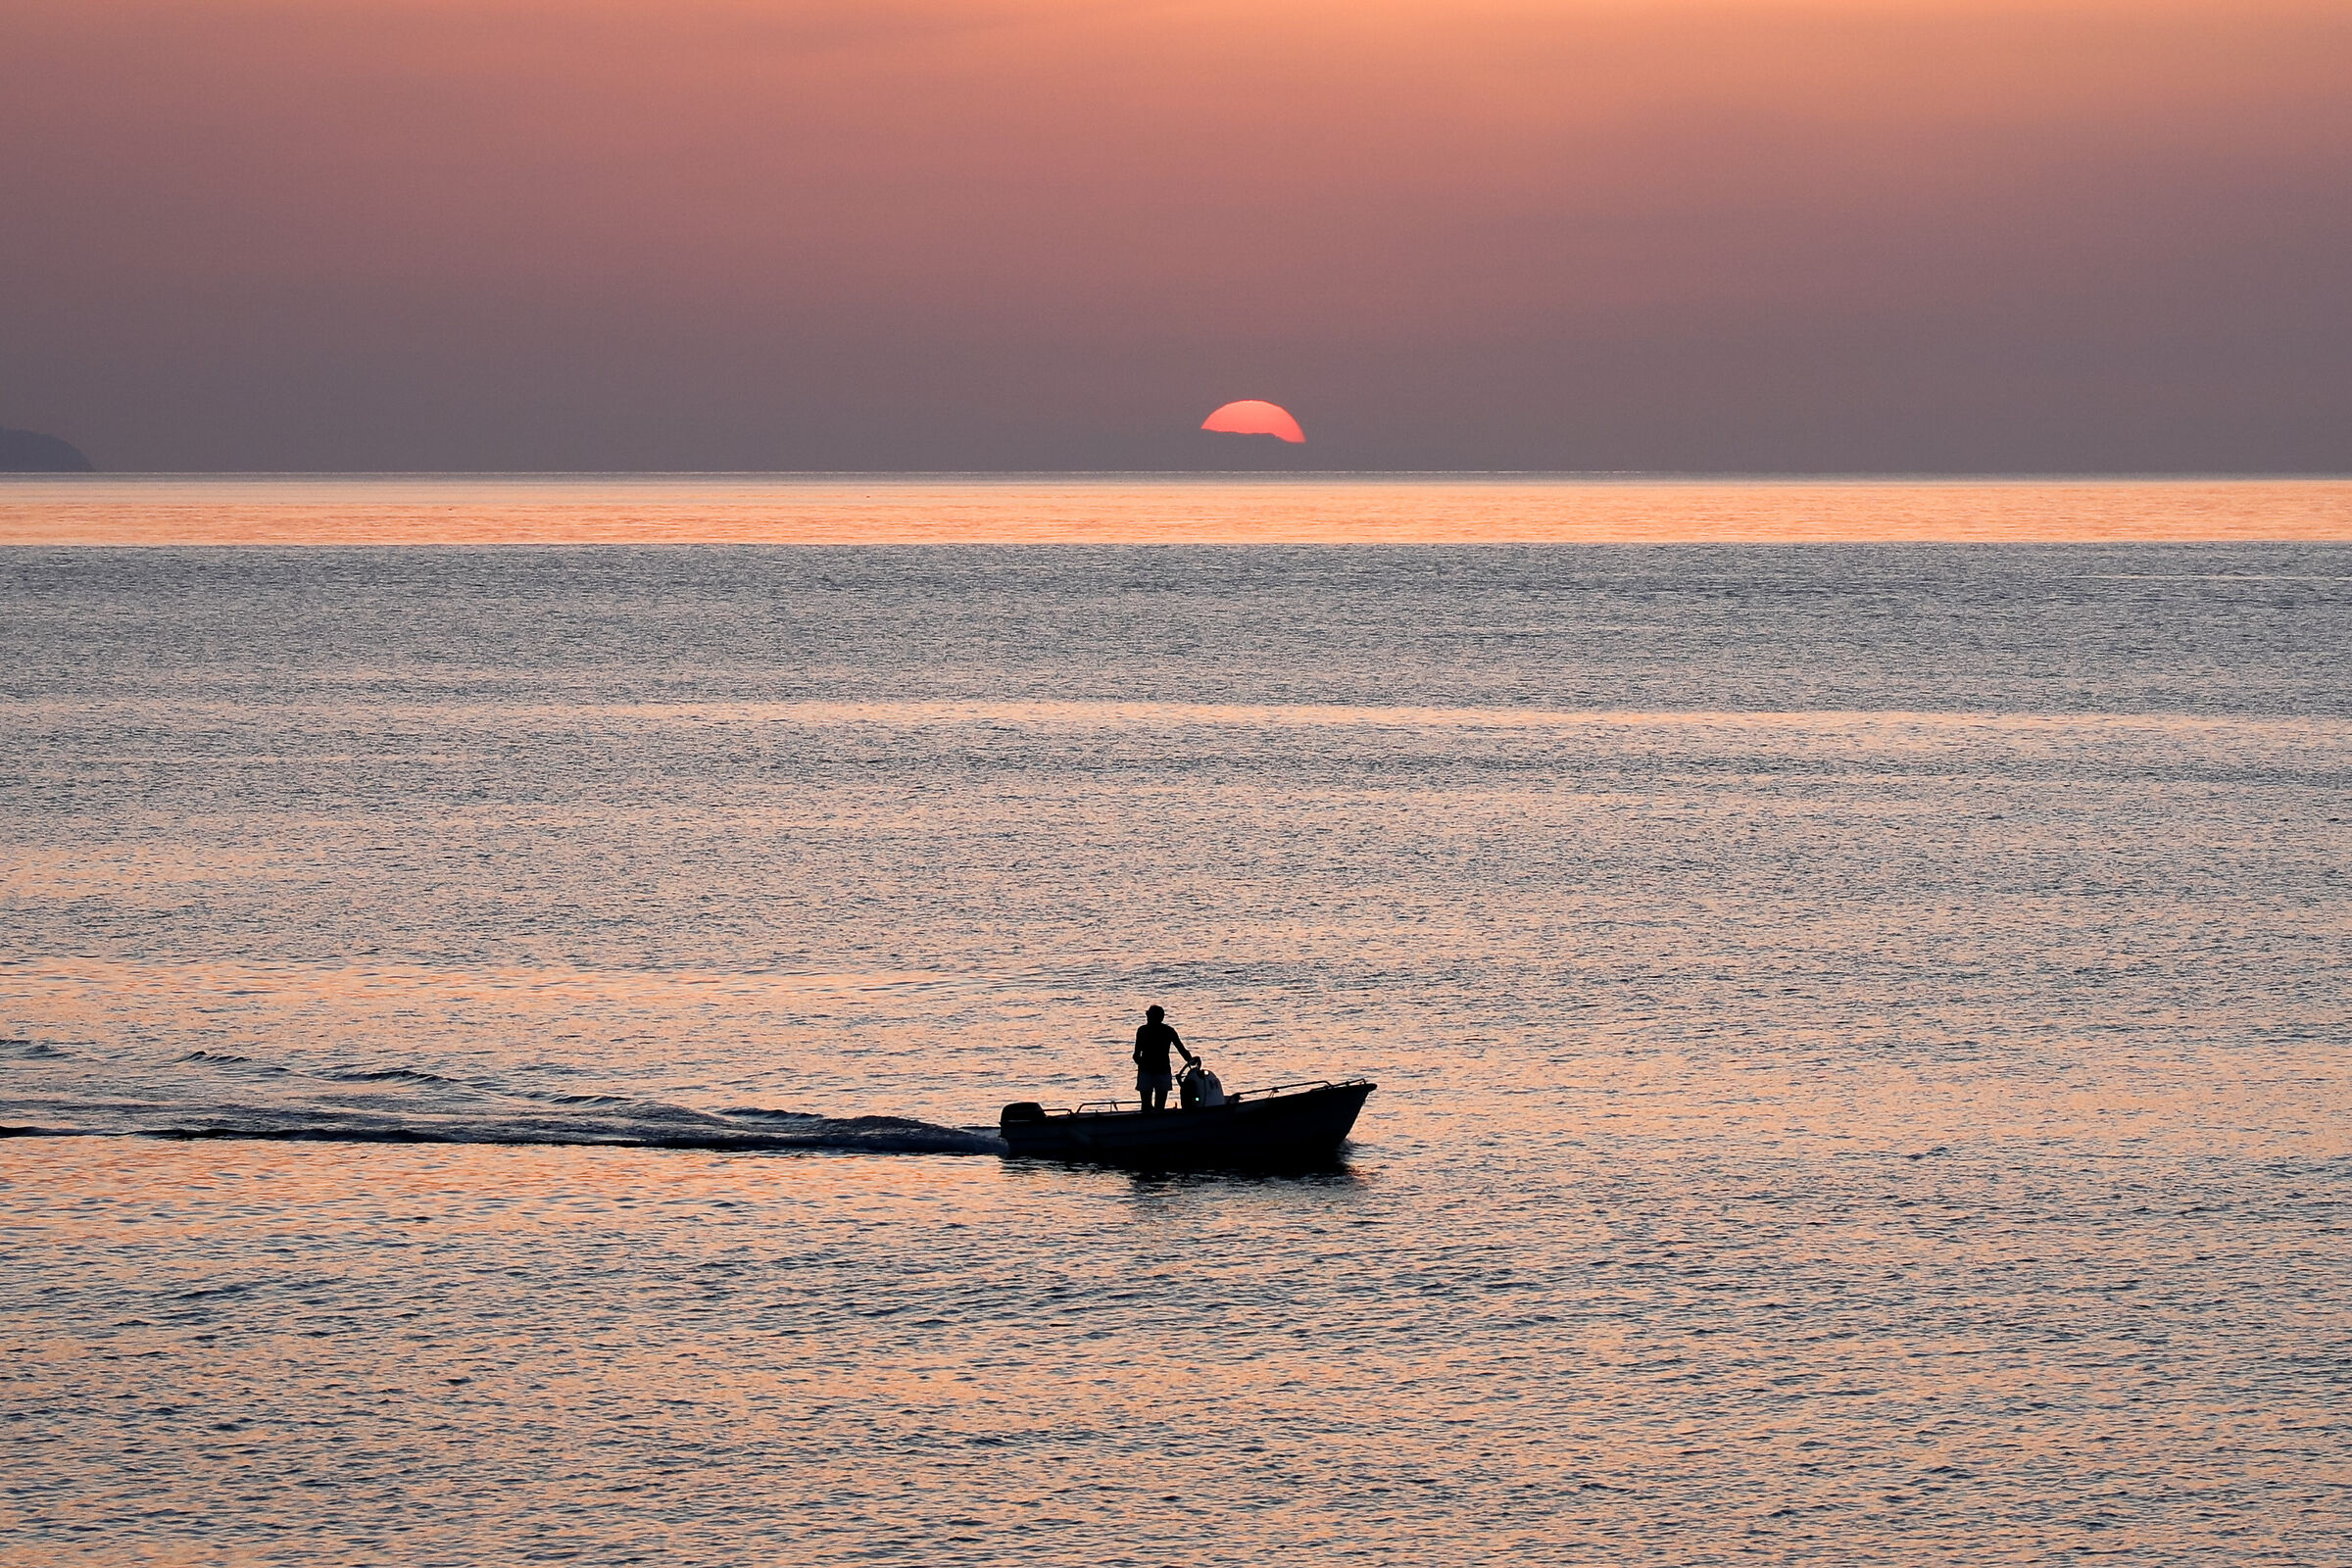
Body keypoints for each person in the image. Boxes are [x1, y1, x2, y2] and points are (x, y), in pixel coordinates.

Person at [1132, 1004, 1198, 1112]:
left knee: (1147, 1107)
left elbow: (1136, 1055)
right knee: (1158, 1107)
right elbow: (1181, 1049)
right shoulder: (1168, 1031)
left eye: (1149, 1016)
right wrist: (1190, 1060)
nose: (1148, 1018)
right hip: (1159, 1070)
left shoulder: (1143, 1030)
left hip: (1151, 1071)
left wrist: (1143, 1066)